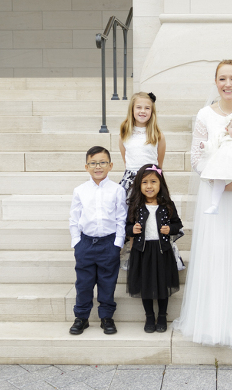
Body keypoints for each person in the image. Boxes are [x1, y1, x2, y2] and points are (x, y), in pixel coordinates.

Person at [172, 59, 232, 348]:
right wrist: (220, 181)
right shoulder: (205, 114)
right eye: (222, 79)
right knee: (215, 252)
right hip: (214, 191)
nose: (228, 84)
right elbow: (196, 157)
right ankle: (212, 321)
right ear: (215, 82)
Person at [118, 92, 184, 270]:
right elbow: (126, 159)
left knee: (153, 218)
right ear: (132, 109)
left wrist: (153, 181)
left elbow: (159, 163)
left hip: (151, 179)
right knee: (133, 219)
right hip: (132, 181)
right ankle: (134, 258)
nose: (142, 111)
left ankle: (157, 255)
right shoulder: (124, 132)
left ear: (152, 111)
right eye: (138, 107)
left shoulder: (157, 134)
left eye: (147, 108)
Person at [68, 146, 127, 335]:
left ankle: (106, 317)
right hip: (85, 244)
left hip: (108, 243)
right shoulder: (80, 190)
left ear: (110, 165)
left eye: (102, 162)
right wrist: (77, 241)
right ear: (86, 167)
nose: (98, 167)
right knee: (83, 283)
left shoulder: (117, 190)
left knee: (107, 282)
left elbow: (121, 218)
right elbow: (74, 218)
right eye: (93, 163)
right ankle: (82, 317)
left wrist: (117, 243)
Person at [125, 164, 182, 333]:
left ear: (160, 184)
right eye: (144, 182)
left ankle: (162, 316)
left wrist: (170, 229)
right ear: (139, 185)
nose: (149, 186)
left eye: (153, 181)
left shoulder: (167, 204)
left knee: (162, 285)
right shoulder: (135, 205)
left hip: (162, 251)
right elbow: (126, 227)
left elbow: (177, 224)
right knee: (145, 285)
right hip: (142, 252)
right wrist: (132, 230)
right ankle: (149, 316)